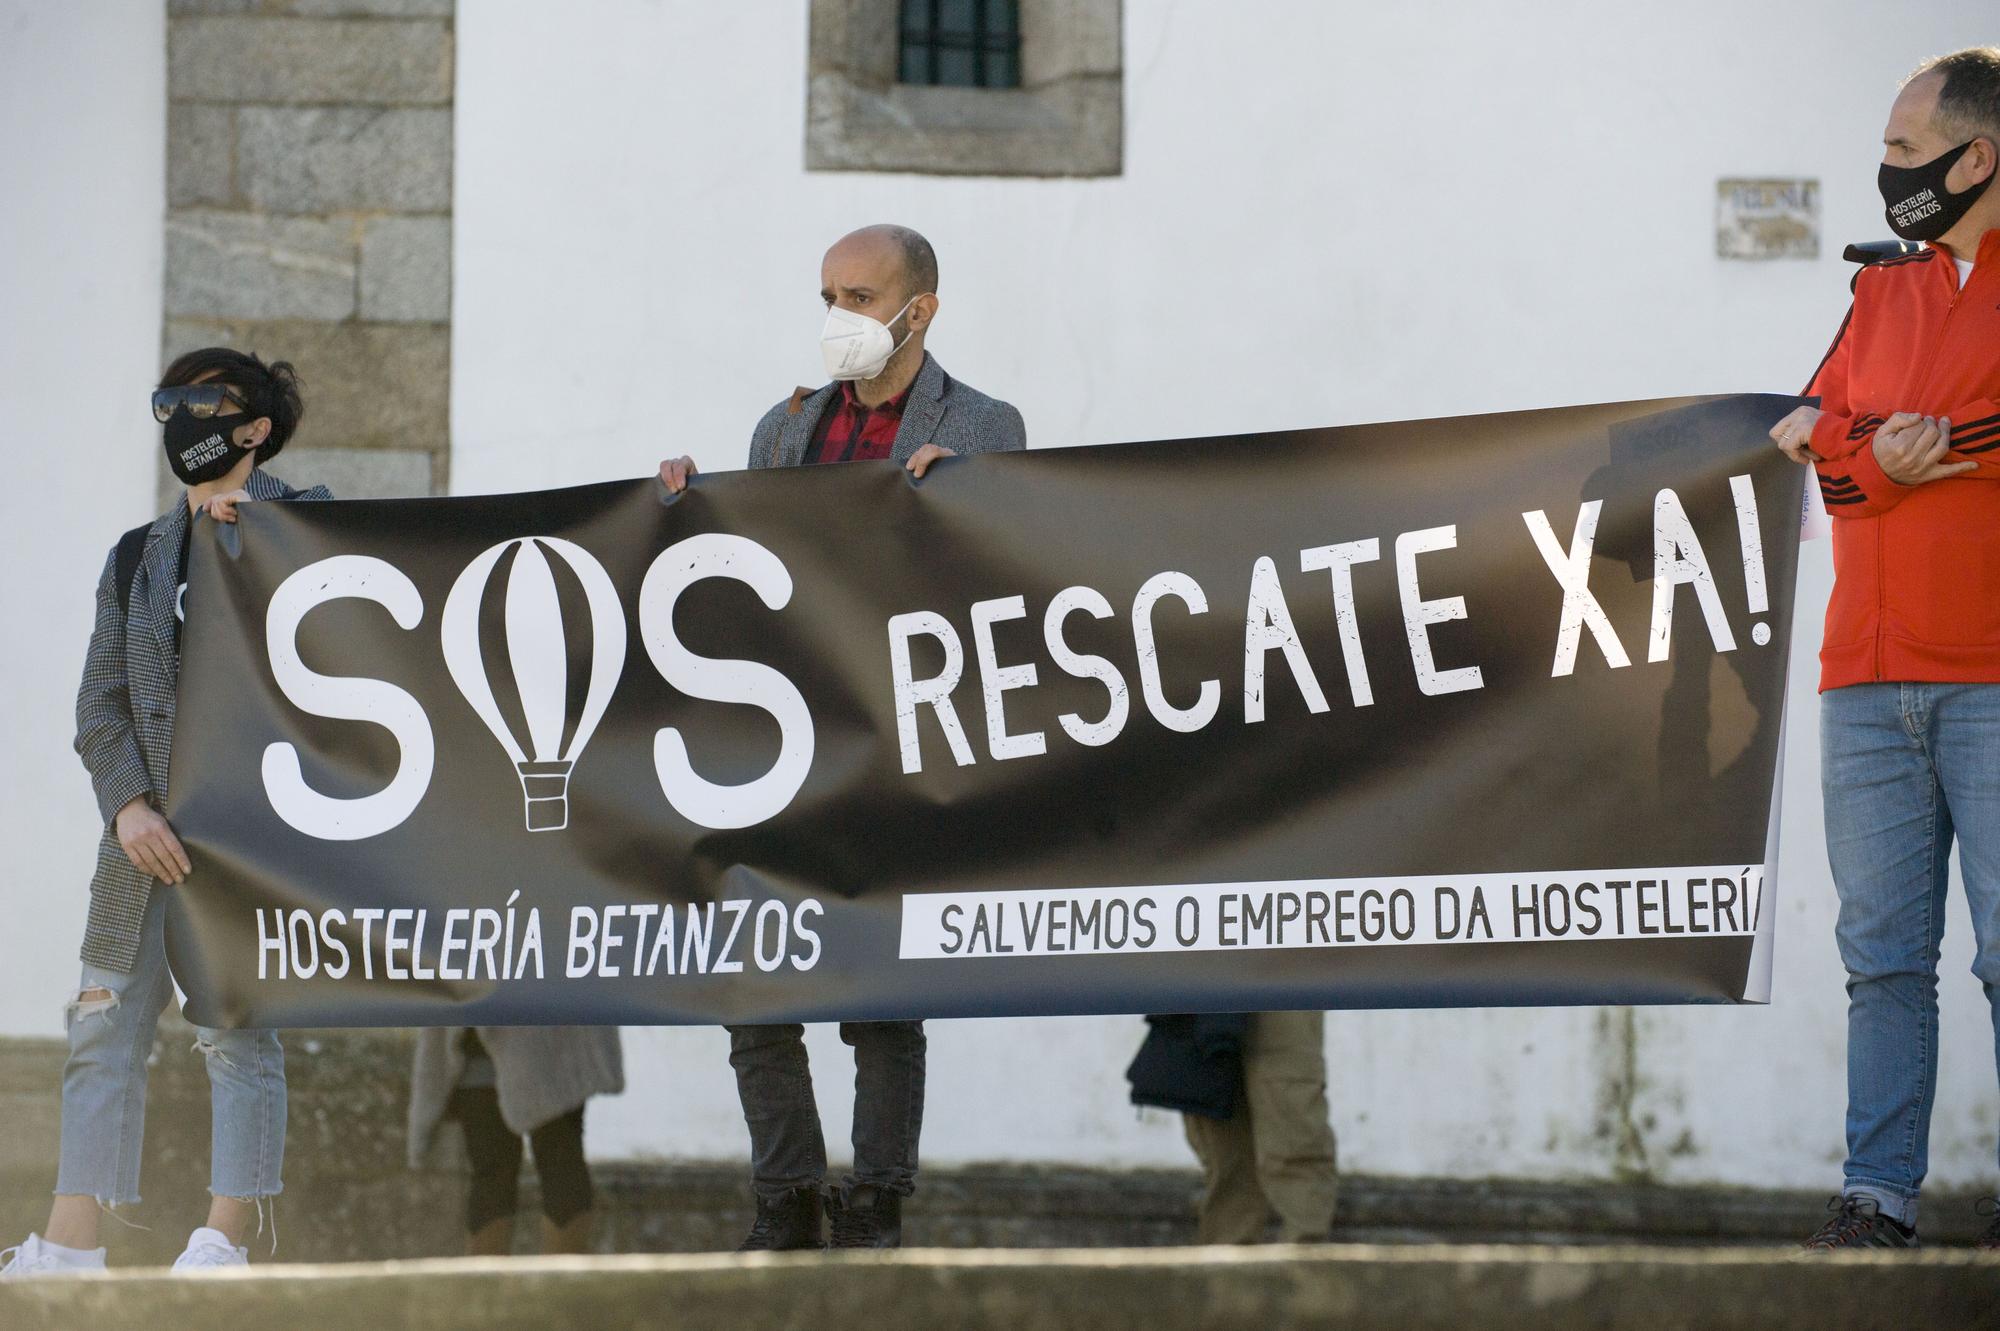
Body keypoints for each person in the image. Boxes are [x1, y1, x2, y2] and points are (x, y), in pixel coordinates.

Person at [659, 223, 1026, 1249]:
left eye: (860, 297)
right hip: (786, 734)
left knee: (880, 987)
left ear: (921, 310)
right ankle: (784, 1199)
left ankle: (874, 1202)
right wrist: (686, 511)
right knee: (755, 981)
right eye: (829, 294)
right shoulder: (783, 431)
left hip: (898, 737)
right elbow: (746, 568)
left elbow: (1011, 574)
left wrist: (967, 501)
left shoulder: (986, 424)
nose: (840, 316)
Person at [0, 349, 330, 1278]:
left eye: (201, 401)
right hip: (140, 847)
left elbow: (387, 574)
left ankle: (224, 1238)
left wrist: (265, 532)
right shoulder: (137, 555)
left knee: (235, 1025)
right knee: (102, 1024)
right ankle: (70, 1245)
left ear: (254, 426)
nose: (180, 418)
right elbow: (98, 703)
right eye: (167, 402)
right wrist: (128, 809)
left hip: (247, 839)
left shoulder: (303, 522)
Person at [1767, 46, 2000, 1253]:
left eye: (1905, 150)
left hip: (1991, 674)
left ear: (1977, 157)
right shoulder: (1879, 292)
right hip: (1861, 674)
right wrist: (1882, 458)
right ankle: (1876, 1198)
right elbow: (1815, 434)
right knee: (1882, 958)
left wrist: (1918, 442)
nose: (1885, 171)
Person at [407, 1026, 624, 1256]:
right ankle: (551, 1282)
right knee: (546, 1167)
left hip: (544, 1054)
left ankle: (551, 1282)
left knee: (549, 1166)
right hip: (514, 1055)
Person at [1128, 1012, 1340, 1244]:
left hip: (1284, 985)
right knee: (1225, 1156)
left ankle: (1305, 1272)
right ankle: (1228, 1272)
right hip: (1208, 988)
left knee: (1295, 1139)